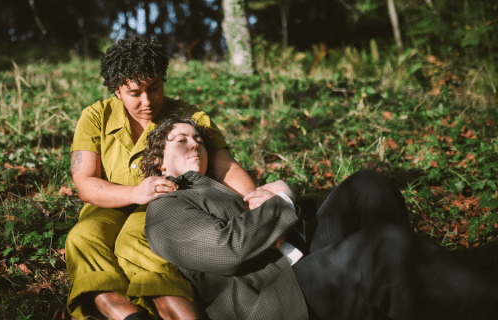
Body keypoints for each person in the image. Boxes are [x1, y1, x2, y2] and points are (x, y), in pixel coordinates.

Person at [139, 118, 498, 320]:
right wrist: (280, 198)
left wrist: (287, 199)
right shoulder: (165, 207)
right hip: (270, 299)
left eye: (199, 138)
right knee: (380, 247)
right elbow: (227, 249)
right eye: (180, 139)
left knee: (366, 187)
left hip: (297, 258)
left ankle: (407, 297)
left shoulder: (223, 189)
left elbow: (288, 216)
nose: (195, 144)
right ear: (159, 162)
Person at [65, 36, 258, 320]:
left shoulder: (190, 117)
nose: (147, 101)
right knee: (83, 237)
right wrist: (134, 194)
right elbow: (85, 182)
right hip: (109, 203)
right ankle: (118, 308)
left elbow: (225, 166)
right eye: (134, 92)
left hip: (169, 203)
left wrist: (256, 202)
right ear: (117, 91)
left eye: (154, 88)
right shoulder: (96, 117)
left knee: (137, 242)